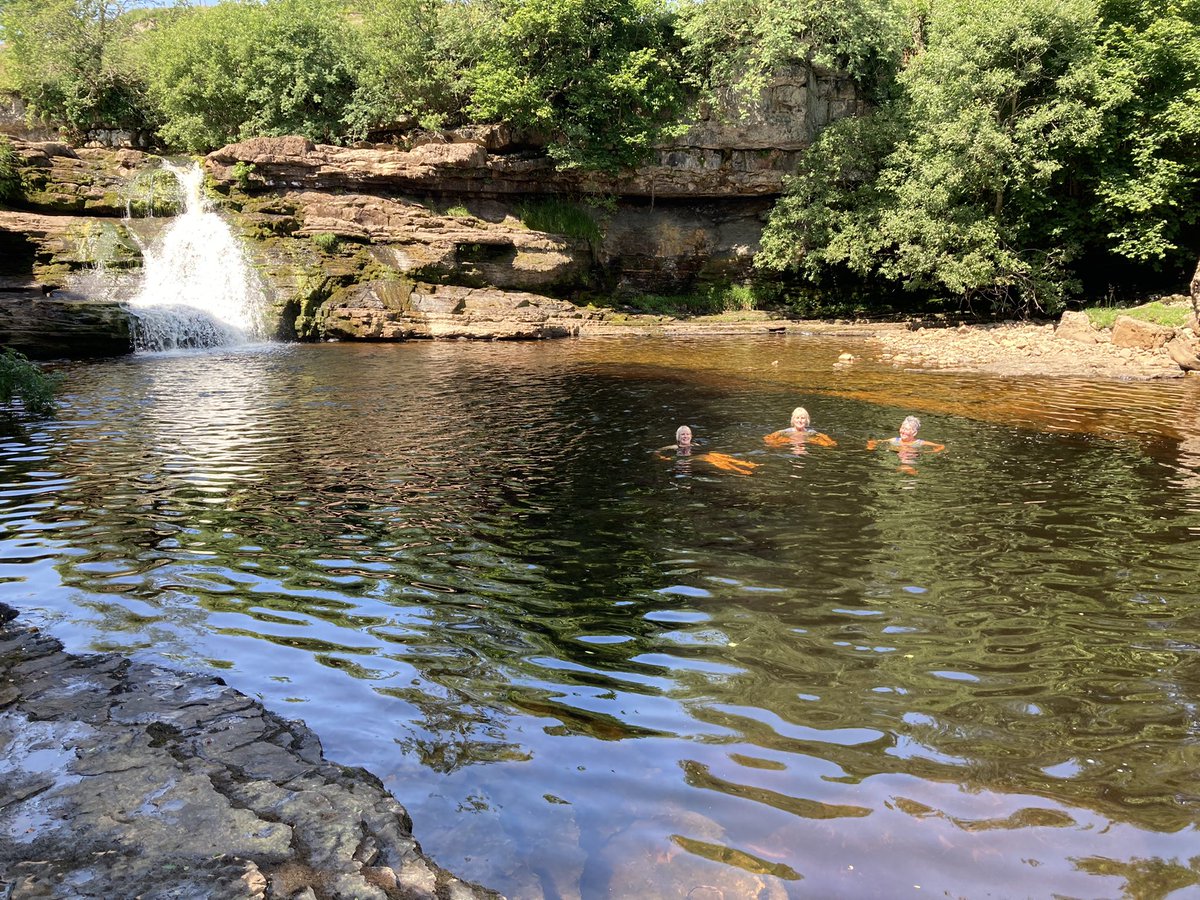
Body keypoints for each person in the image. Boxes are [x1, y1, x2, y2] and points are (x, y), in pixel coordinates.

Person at [658, 425, 759, 476]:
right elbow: (658, 451)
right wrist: (664, 458)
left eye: (687, 434)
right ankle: (741, 471)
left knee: (716, 455)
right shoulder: (675, 447)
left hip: (702, 454)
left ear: (691, 436)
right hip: (693, 458)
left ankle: (746, 464)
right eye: (682, 434)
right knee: (710, 458)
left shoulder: (695, 444)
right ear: (678, 437)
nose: (685, 436)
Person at [763, 407, 837, 449]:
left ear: (807, 420)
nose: (800, 421)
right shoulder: (785, 432)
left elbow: (829, 442)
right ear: (793, 420)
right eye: (797, 418)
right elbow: (768, 439)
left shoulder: (811, 432)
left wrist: (830, 443)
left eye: (802, 418)